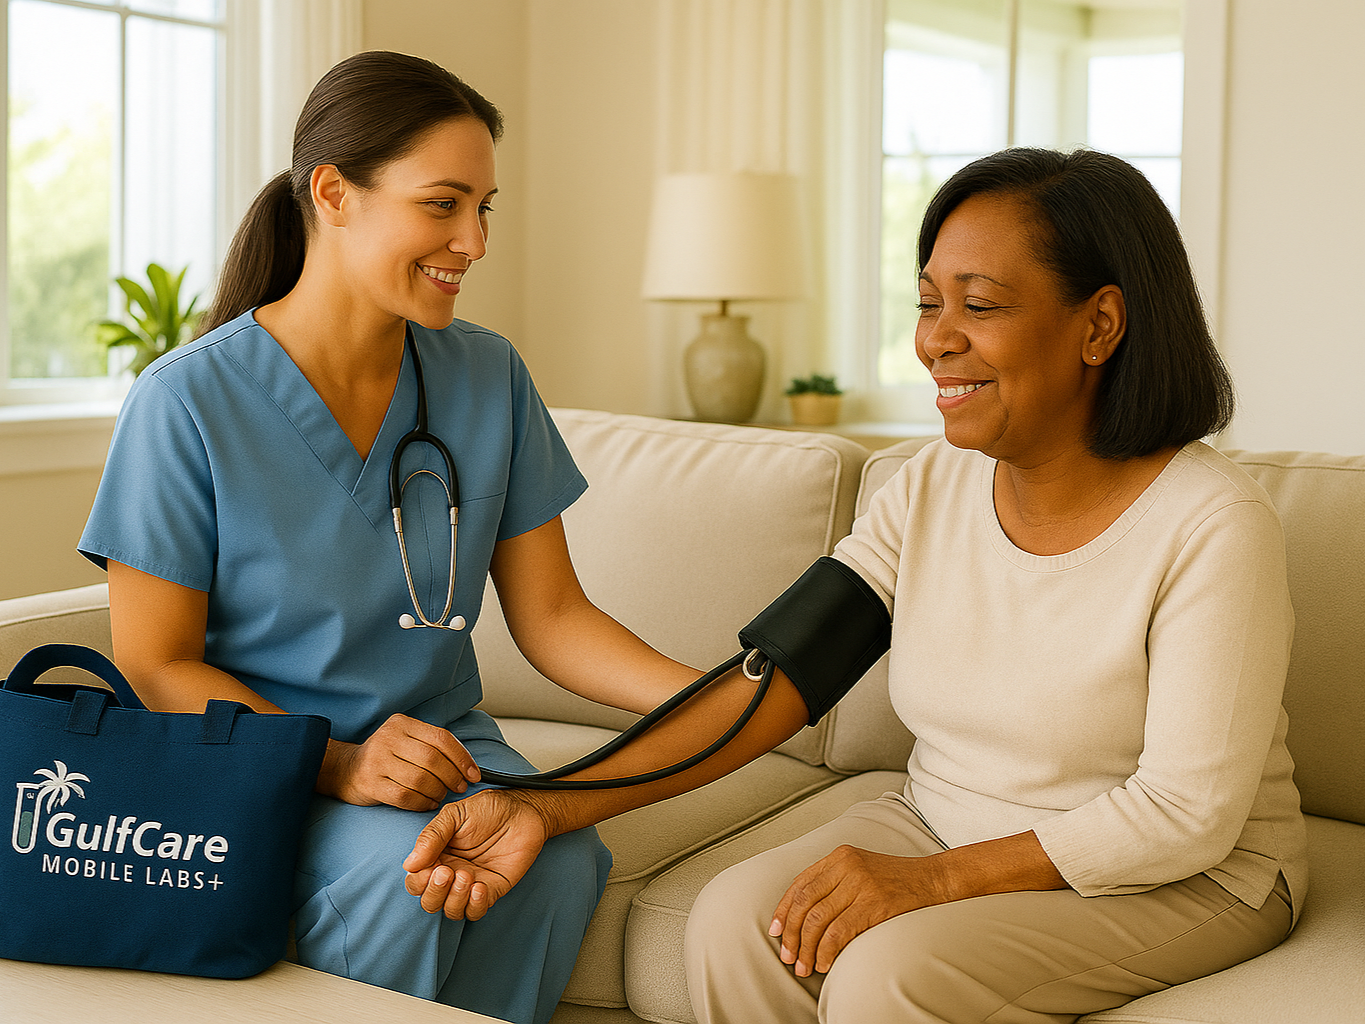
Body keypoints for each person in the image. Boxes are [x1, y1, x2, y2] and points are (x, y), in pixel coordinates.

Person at [402, 148, 1307, 1024]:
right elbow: (772, 682)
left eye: (980, 305)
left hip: (1185, 871)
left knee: (889, 976)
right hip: (940, 818)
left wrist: (935, 881)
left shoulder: (1211, 524)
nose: (935, 341)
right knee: (729, 926)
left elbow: (1184, 815)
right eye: (926, 303)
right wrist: (541, 805)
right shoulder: (926, 487)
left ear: (1099, 325)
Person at [77, 51, 704, 1024]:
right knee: (407, 870)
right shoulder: (186, 403)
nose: (475, 240)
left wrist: (715, 699)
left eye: (486, 207)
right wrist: (339, 760)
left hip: (451, 757)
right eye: (443, 204)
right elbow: (155, 665)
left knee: (563, 850)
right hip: (275, 773)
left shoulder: (487, 376)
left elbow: (553, 615)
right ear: (333, 193)